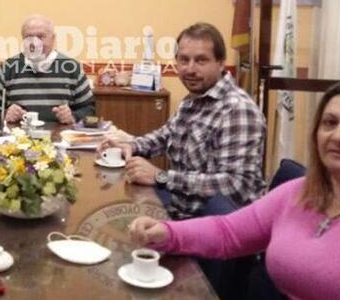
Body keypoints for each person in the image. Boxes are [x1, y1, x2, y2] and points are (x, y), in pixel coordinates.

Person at [130, 81, 340, 299]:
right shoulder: (299, 192)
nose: (338, 136)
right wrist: (166, 233)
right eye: (330, 123)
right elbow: (228, 233)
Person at [98, 22, 265, 218]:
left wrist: (161, 177)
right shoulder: (195, 98)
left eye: (201, 60)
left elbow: (236, 186)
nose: (190, 69)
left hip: (215, 227)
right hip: (181, 207)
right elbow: (165, 136)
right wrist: (131, 146)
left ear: (220, 63)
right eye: (184, 60)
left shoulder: (237, 110)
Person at [0, 14, 95, 124]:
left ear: (53, 39)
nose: (35, 42)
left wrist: (73, 117)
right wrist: (4, 113)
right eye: (28, 37)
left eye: (41, 36)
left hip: (61, 138)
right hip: (18, 138)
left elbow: (90, 110)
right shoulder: (8, 67)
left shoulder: (71, 67)